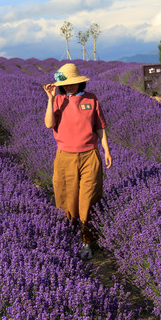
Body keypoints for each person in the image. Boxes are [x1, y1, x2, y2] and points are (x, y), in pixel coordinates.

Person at [43, 63, 112, 260]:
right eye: (67, 84)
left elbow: (100, 127)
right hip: (65, 157)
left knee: (89, 198)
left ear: (80, 82)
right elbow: (49, 124)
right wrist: (50, 99)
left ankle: (87, 241)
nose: (71, 86)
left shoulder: (91, 99)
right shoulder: (58, 100)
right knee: (67, 198)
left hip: (90, 154)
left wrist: (106, 150)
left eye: (74, 83)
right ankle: (69, 238)